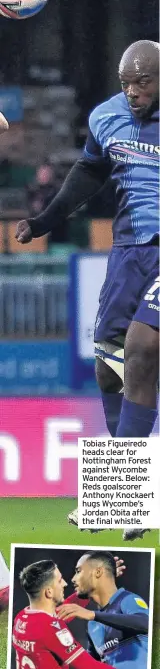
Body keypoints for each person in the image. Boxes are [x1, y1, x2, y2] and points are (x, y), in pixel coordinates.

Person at [15, 39, 159, 540]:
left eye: (144, 82)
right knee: (108, 367)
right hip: (127, 253)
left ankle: (118, 497)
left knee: (142, 350)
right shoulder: (106, 117)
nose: (134, 92)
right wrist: (45, 220)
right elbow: (89, 173)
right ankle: (130, 503)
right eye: (127, 83)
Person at [12, 559, 115, 669]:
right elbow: (88, 665)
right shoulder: (50, 628)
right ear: (49, 592)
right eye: (60, 580)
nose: (65, 584)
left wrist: (94, 583)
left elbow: (65, 609)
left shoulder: (21, 617)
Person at [57, 551, 149, 668]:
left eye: (78, 571)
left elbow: (146, 624)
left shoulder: (127, 599)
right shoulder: (92, 624)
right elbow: (91, 664)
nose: (73, 579)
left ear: (98, 572)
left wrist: (93, 615)